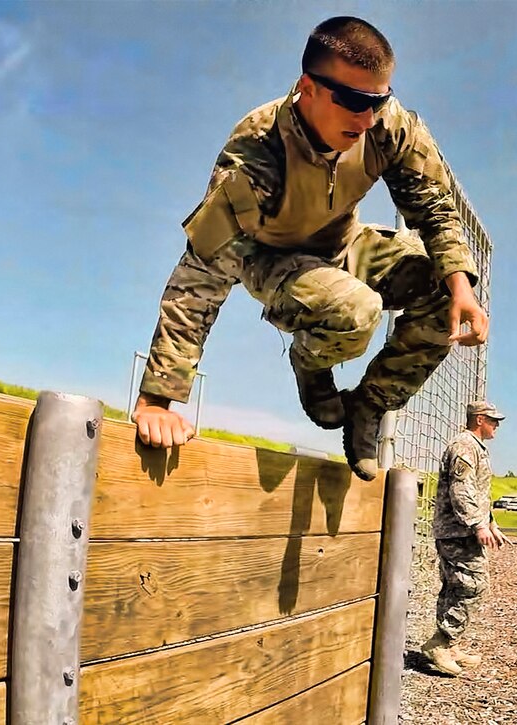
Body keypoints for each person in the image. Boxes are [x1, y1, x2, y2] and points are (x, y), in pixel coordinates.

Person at [130, 16, 489, 481]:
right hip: (272, 260)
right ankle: (310, 361)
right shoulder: (257, 151)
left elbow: (434, 206)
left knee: (447, 293)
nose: (365, 119)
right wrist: (159, 398)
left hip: (343, 244)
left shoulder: (387, 125)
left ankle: (369, 407)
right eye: (353, 102)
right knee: (357, 311)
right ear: (309, 88)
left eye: (378, 101)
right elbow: (201, 274)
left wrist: (461, 286)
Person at [422, 401, 509, 676]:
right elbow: (461, 490)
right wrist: (477, 525)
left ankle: (450, 644)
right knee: (472, 586)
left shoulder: (475, 447)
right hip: (458, 531)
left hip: (462, 530)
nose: (497, 426)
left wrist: (491, 523)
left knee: (455, 587)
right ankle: (441, 643)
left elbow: (479, 492)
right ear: (479, 419)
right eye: (494, 420)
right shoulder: (464, 446)